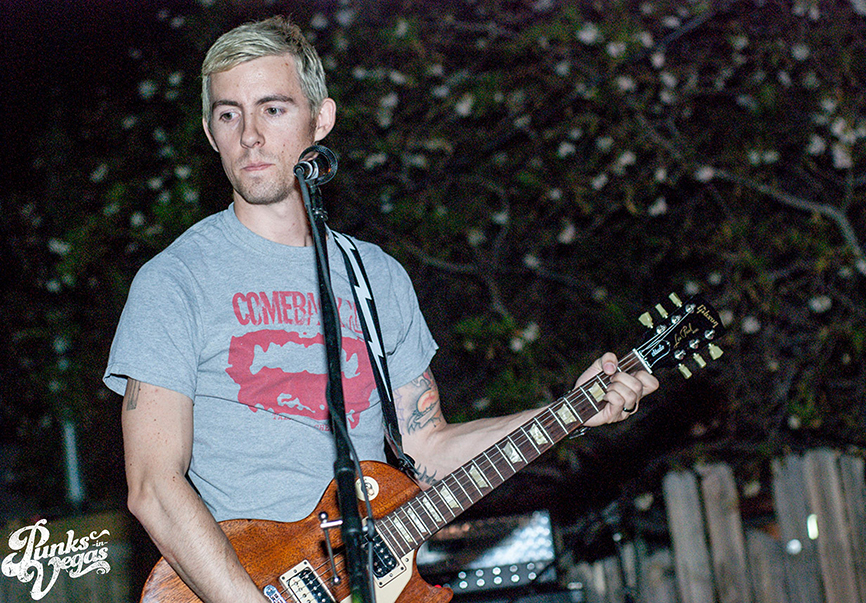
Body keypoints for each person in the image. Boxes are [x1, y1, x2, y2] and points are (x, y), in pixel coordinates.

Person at [103, 15, 658, 603]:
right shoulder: (175, 281)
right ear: (211, 133)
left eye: (273, 109)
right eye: (228, 115)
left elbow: (427, 448)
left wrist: (571, 411)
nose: (250, 136)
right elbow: (154, 486)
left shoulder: (376, 277)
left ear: (321, 119)